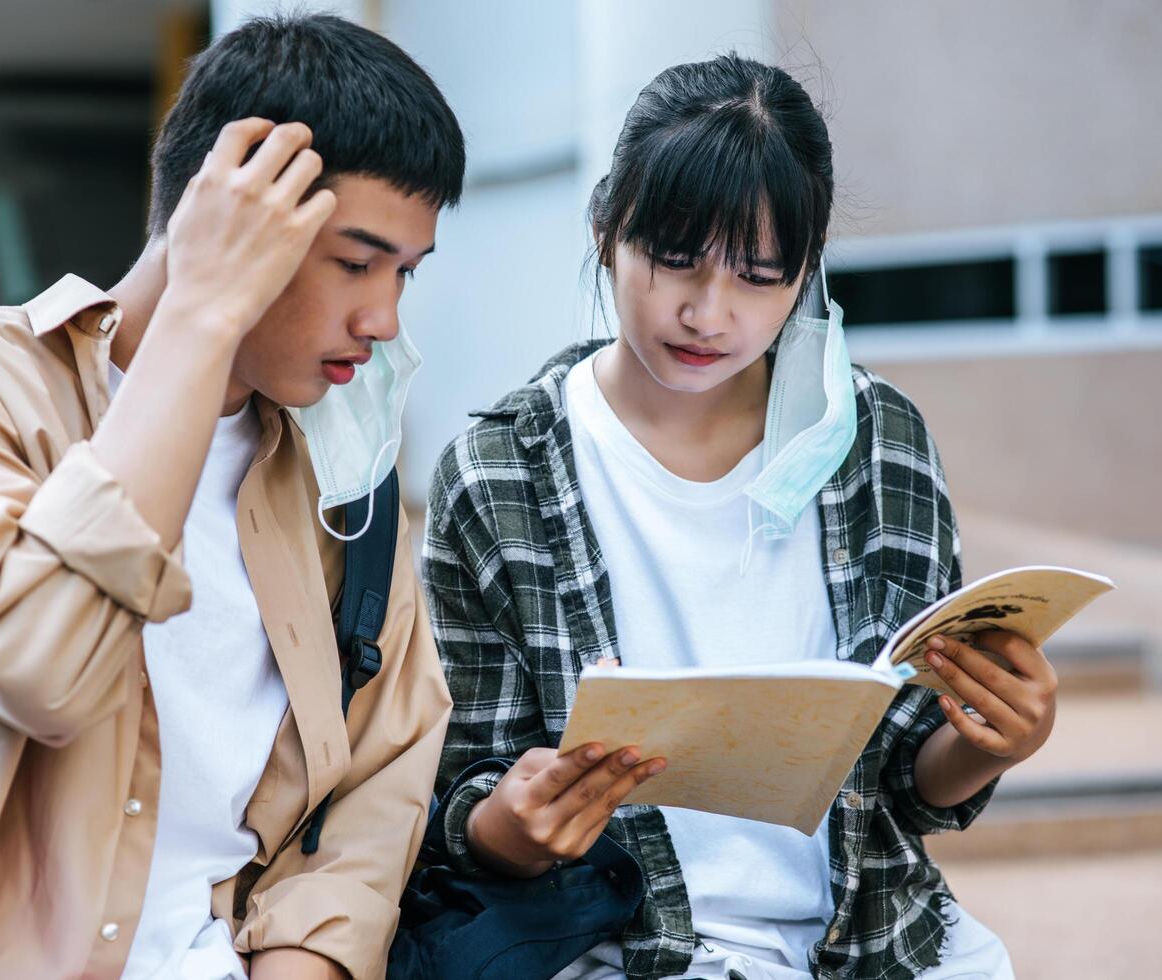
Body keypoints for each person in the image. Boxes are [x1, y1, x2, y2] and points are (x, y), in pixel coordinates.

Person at [0, 14, 462, 980]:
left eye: (404, 274)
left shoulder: (343, 482)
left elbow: (379, 783)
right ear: (228, 207)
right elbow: (48, 669)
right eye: (356, 262)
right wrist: (201, 313)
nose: (382, 319)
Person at [422, 55, 1056, 979]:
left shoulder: (876, 442)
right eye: (672, 259)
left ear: (805, 276)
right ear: (605, 230)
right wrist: (512, 826)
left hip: (875, 945)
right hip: (618, 948)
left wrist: (992, 737)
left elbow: (910, 788)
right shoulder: (497, 475)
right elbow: (461, 792)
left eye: (759, 276)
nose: (706, 312)